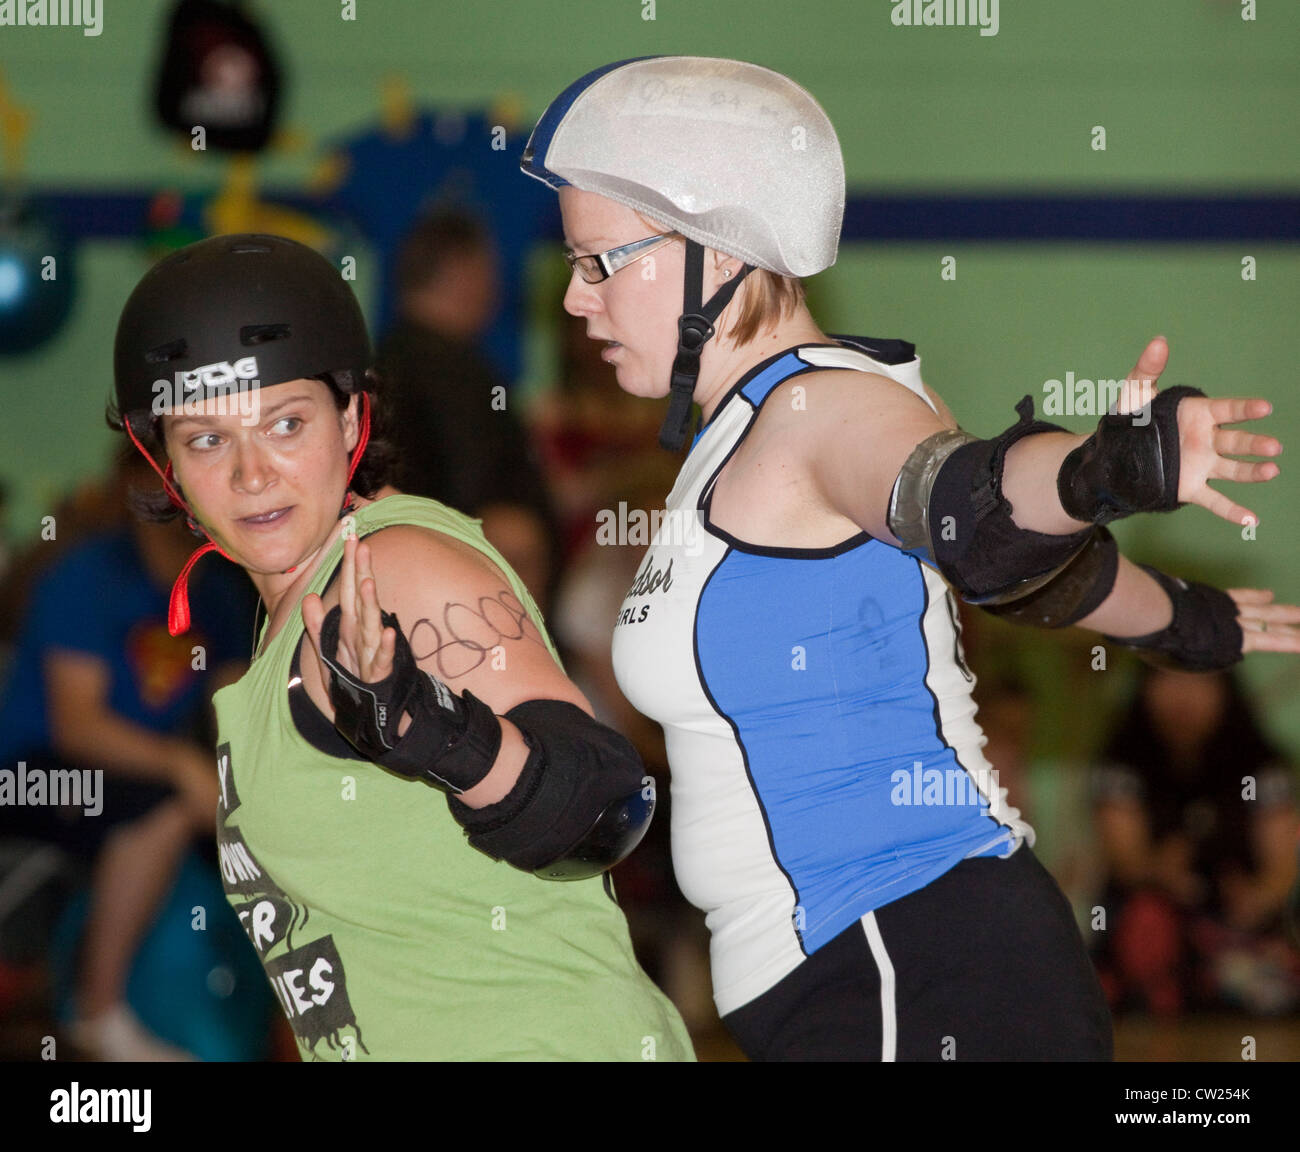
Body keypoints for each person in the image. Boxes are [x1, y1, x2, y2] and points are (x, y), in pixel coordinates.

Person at [519, 55, 1300, 1060]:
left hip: (914, 965)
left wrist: (1102, 472)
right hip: (877, 974)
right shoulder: (746, 430)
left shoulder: (820, 408)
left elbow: (969, 497)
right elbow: (1023, 566)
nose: (579, 303)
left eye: (598, 263)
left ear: (716, 251)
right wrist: (1189, 621)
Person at [107, 232, 693, 1061]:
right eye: (206, 439)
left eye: (285, 423)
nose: (250, 474)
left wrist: (430, 729)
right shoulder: (285, 624)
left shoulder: (394, 564)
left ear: (351, 418)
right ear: (161, 460)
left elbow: (604, 805)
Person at [0, 448, 257, 1060]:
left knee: (246, 812)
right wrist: (181, 766)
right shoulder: (86, 576)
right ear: (130, 483)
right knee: (166, 803)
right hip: (32, 774)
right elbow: (77, 727)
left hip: (136, 772)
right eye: (159, 477)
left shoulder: (215, 589)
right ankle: (99, 1011)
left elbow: (238, 707)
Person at [1092, 664, 1300, 1016]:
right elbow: (1126, 861)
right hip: (1150, 930)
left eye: (1199, 682)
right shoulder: (1122, 763)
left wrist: (1256, 899)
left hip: (1243, 936)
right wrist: (1158, 872)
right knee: (1147, 923)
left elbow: (1282, 867)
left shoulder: (1264, 766)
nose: (1182, 697)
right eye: (1168, 678)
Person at [377, 208, 558, 610]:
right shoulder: (451, 370)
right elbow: (477, 482)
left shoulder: (386, 359)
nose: (496, 285)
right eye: (488, 268)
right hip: (471, 591)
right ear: (460, 270)